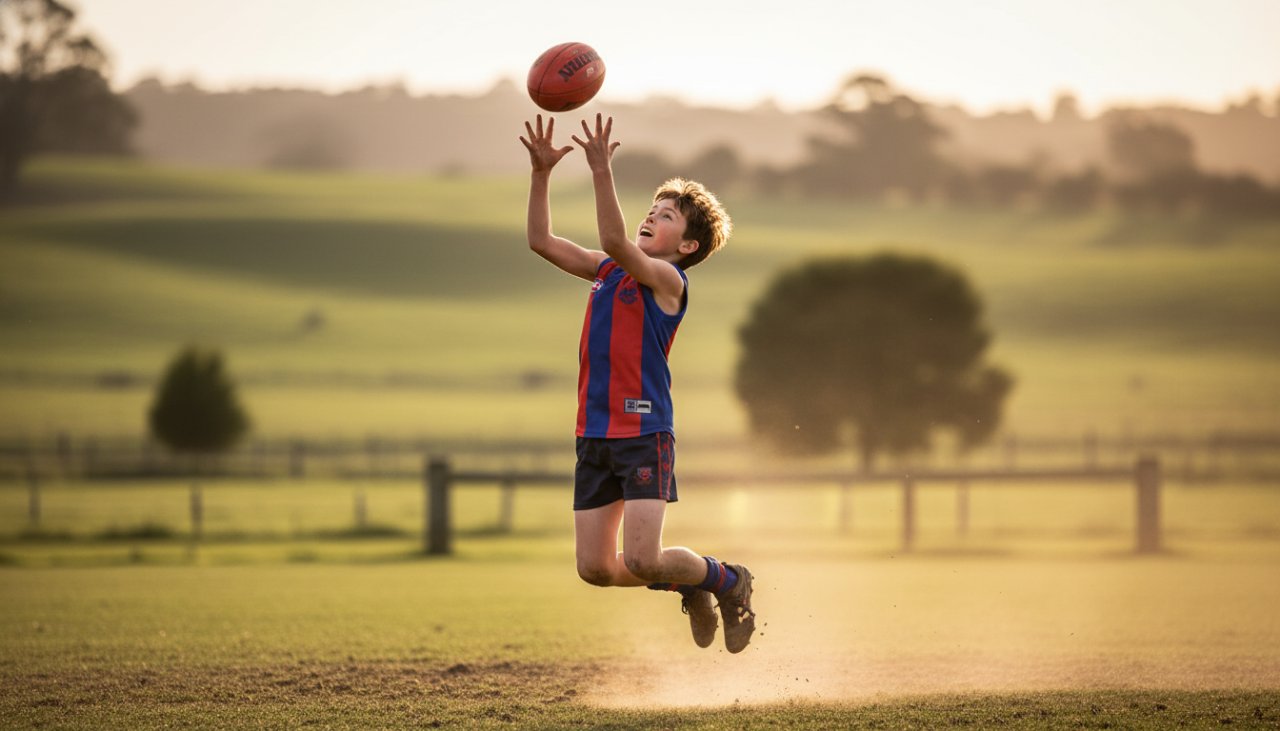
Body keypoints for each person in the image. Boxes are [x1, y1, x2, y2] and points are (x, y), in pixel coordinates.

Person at [519, 113, 756, 653]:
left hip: (643, 432)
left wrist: (601, 167)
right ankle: (690, 582)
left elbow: (611, 236)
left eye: (665, 216)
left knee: (644, 559)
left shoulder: (669, 281)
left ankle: (725, 579)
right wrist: (541, 173)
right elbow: (540, 240)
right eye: (652, 210)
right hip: (594, 434)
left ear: (688, 246)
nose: (651, 218)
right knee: (597, 569)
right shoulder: (607, 271)